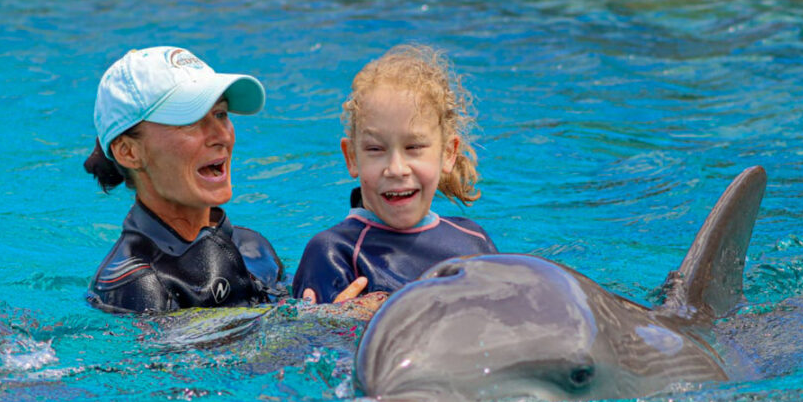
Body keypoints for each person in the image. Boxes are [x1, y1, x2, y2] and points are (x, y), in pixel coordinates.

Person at [84, 46, 367, 314]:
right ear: (129, 152)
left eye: (220, 114)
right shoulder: (135, 284)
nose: (221, 135)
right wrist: (327, 325)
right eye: (189, 121)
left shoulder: (253, 246)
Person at [292, 44, 497, 304]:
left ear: (448, 153)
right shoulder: (333, 253)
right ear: (352, 157)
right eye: (375, 149)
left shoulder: (474, 242)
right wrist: (341, 321)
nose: (396, 169)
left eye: (414, 147)